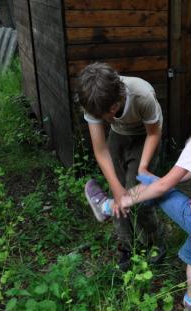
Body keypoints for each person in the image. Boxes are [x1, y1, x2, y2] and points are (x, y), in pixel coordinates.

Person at [87, 77, 191, 311]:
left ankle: (110, 206)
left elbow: (165, 186)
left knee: (159, 188)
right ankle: (190, 303)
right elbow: (188, 175)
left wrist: (141, 187)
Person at [78, 62, 165, 271]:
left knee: (138, 199)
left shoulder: (142, 95)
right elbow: (101, 151)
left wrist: (143, 168)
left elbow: (154, 133)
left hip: (145, 137)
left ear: (115, 106)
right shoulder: (93, 102)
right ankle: (128, 247)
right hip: (119, 137)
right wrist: (116, 189)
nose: (100, 120)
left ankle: (156, 243)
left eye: (102, 116)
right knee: (118, 195)